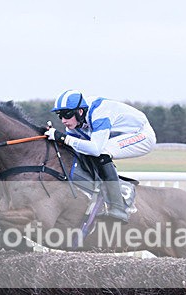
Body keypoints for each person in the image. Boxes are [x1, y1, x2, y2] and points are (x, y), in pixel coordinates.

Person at [44, 89, 157, 222]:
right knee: (82, 150)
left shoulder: (100, 113)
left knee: (102, 152)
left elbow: (96, 149)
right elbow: (73, 147)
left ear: (80, 111)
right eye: (59, 115)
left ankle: (118, 207)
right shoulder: (74, 122)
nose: (63, 120)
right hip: (119, 134)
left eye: (66, 115)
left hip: (141, 135)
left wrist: (63, 138)